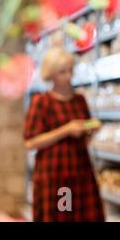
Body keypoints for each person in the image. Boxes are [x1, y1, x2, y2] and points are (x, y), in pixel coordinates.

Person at [24, 47, 104, 222]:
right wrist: (66, 130)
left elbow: (86, 140)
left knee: (82, 215)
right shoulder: (41, 102)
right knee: (61, 215)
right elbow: (30, 142)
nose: (68, 76)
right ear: (51, 74)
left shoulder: (79, 100)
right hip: (54, 175)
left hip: (80, 171)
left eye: (70, 70)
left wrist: (89, 130)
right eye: (62, 72)